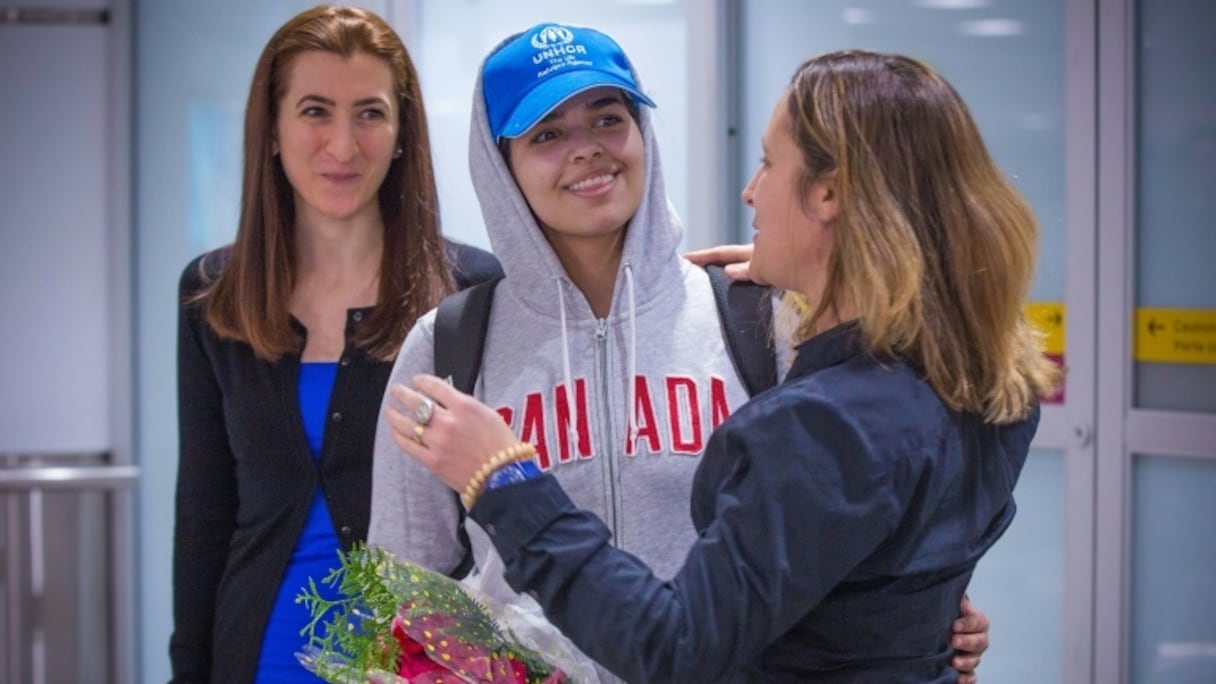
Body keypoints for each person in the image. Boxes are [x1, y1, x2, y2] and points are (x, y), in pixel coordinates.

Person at [386, 48, 1063, 682]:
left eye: (608, 119)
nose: (749, 190)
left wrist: (503, 481)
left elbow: (680, 647)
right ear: (500, 168)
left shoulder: (771, 350)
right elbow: (872, 554)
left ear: (829, 195)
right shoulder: (988, 382)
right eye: (545, 135)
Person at [169, 7, 502, 682]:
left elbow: (502, 509)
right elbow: (203, 519)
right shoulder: (214, 296)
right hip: (258, 658)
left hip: (425, 666)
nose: (344, 146)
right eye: (316, 111)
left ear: (403, 131)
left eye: (370, 114)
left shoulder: (473, 292)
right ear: (272, 129)